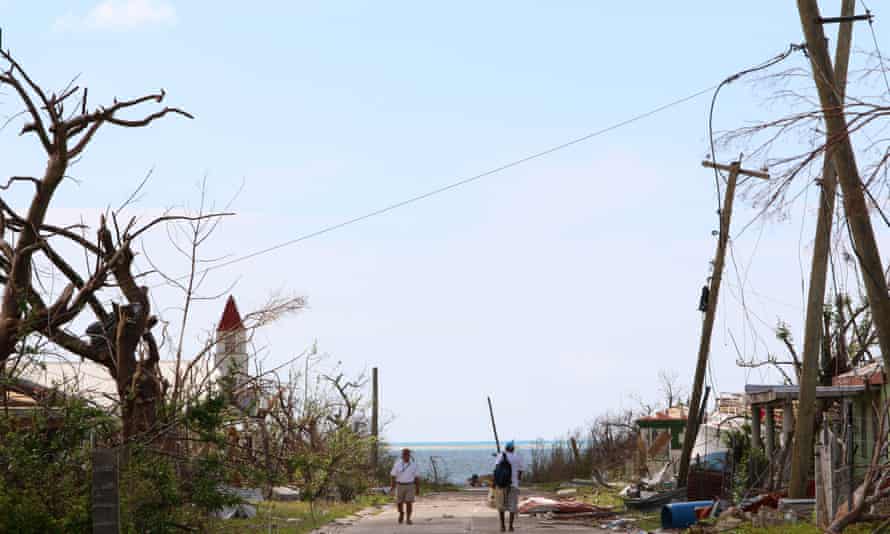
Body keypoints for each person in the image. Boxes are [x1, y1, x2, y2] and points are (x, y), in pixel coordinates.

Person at [493, 441, 524, 532]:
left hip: (502, 485)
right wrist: (517, 480)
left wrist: (495, 483)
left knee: (501, 506)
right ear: (513, 448)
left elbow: (496, 470)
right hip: (513, 485)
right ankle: (510, 526)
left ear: (505, 448)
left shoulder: (501, 456)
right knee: (512, 506)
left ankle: (502, 526)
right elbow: (520, 471)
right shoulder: (518, 457)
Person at [390, 448, 420, 525]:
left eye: (407, 454)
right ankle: (401, 513)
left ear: (409, 455)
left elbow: (416, 477)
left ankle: (408, 518)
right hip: (399, 485)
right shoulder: (397, 464)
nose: (405, 456)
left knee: (409, 502)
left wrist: (417, 488)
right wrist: (392, 486)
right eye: (404, 454)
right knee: (399, 502)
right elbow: (393, 475)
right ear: (402, 455)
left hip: (410, 485)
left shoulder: (414, 465)